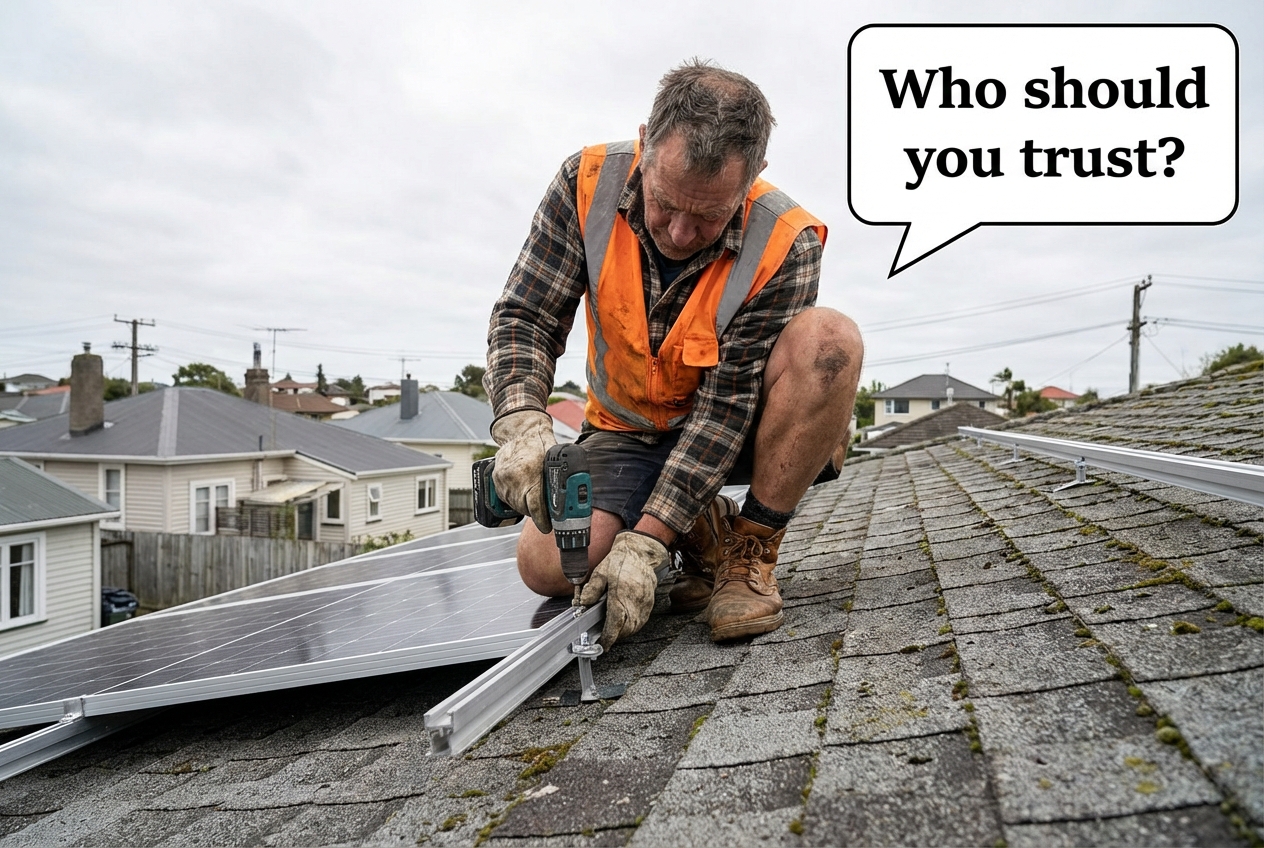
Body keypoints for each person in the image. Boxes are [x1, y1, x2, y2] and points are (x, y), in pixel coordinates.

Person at [484, 59, 862, 647]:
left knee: (831, 341)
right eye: (664, 202)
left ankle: (749, 551)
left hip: (740, 430)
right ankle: (703, 528)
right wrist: (522, 420)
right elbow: (527, 315)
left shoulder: (786, 243)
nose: (680, 233)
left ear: (753, 175)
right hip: (628, 429)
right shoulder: (585, 185)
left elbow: (724, 412)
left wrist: (647, 541)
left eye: (709, 215)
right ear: (646, 144)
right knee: (546, 566)